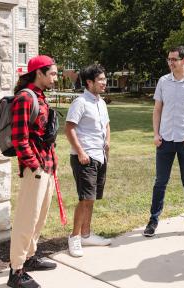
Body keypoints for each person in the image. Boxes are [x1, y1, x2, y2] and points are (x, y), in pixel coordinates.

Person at [143, 46, 184, 239]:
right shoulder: (163, 81)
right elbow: (157, 109)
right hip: (165, 141)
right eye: (169, 59)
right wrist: (156, 134)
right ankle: (153, 221)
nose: (171, 62)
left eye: (174, 59)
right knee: (160, 182)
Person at [8, 55, 59, 288]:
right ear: (39, 73)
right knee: (26, 219)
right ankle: (16, 272)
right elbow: (19, 138)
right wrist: (35, 166)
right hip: (35, 169)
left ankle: (29, 257)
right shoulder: (25, 98)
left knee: (38, 218)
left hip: (47, 166)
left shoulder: (40, 97)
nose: (55, 78)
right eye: (53, 74)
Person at [65, 64, 112, 257]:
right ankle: (74, 237)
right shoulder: (80, 102)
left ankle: (86, 234)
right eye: (100, 79)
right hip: (85, 157)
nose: (104, 82)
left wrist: (107, 143)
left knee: (91, 199)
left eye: (104, 79)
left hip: (100, 156)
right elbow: (69, 128)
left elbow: (107, 124)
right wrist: (81, 152)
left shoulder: (101, 102)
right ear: (89, 82)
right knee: (85, 199)